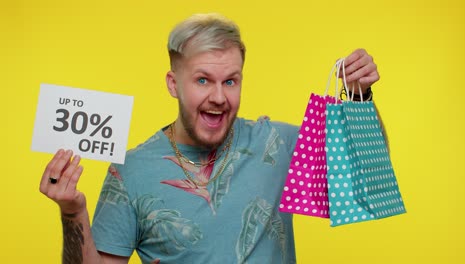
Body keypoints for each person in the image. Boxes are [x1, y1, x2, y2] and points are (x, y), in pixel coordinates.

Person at [40, 13, 380, 264]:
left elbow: (368, 176)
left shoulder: (276, 144)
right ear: (173, 84)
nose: (219, 97)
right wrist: (73, 213)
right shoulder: (129, 172)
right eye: (203, 80)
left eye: (230, 81)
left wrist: (360, 99)